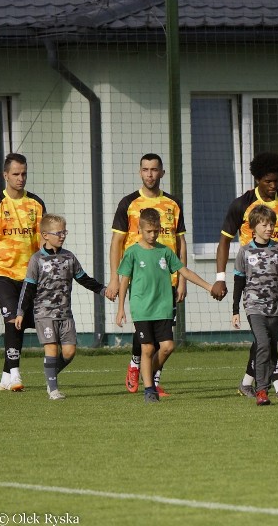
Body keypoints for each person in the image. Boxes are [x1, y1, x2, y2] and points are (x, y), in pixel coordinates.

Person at [211, 152, 278, 400]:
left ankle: (248, 382)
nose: (273, 186)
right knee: (265, 338)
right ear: (257, 179)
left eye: (276, 181)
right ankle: (276, 383)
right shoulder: (242, 204)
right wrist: (220, 277)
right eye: (268, 181)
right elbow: (224, 243)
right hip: (252, 286)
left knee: (265, 338)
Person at [105, 153, 186, 396]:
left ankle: (151, 378)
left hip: (168, 277)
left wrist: (182, 279)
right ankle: (136, 365)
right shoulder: (128, 203)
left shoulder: (173, 203)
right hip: (139, 274)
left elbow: (181, 244)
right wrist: (114, 278)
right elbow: (117, 242)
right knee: (144, 325)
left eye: (154, 169)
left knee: (164, 338)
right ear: (140, 172)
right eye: (145, 170)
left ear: (162, 172)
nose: (150, 174)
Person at [115, 208, 213, 403]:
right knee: (147, 349)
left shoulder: (165, 251)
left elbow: (184, 271)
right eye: (149, 231)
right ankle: (150, 389)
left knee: (167, 346)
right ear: (140, 229)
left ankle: (147, 374)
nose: (152, 235)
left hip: (163, 307)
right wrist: (120, 309)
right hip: (142, 309)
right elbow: (124, 280)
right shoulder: (132, 252)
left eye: (156, 231)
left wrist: (208, 286)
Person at [14, 214, 112, 399]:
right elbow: (28, 287)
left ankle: (49, 375)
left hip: (65, 313)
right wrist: (20, 312)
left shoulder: (69, 257)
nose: (62, 236)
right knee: (51, 348)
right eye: (58, 232)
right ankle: (53, 390)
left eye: (64, 232)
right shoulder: (37, 260)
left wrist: (102, 290)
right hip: (44, 313)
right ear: (45, 235)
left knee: (69, 352)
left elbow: (83, 278)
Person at [231, 205, 278, 407]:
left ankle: (265, 384)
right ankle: (261, 390)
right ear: (254, 226)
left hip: (276, 306)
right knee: (262, 343)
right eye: (264, 224)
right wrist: (235, 310)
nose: (269, 228)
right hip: (254, 306)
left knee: (271, 346)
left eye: (271, 224)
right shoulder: (244, 252)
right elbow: (238, 282)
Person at [0, 153, 45, 392]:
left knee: (21, 321)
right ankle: (15, 374)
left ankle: (6, 374)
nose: (20, 178)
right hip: (2, 273)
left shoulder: (36, 204)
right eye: (15, 174)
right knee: (11, 319)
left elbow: (41, 243)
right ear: (5, 175)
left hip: (28, 276)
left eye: (24, 173)